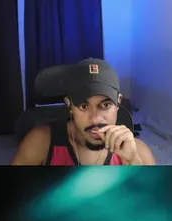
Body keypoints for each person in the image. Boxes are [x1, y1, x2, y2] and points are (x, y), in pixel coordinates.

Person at [10, 58, 157, 167]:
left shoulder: (138, 152)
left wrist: (133, 163)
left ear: (118, 102)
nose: (95, 119)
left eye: (105, 105)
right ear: (69, 105)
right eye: (84, 106)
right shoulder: (41, 142)